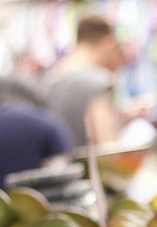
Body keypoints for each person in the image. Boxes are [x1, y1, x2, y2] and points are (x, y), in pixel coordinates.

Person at [45, 15, 126, 148]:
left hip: (61, 165)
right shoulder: (97, 80)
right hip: (88, 166)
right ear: (108, 42)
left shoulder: (50, 78)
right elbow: (109, 145)